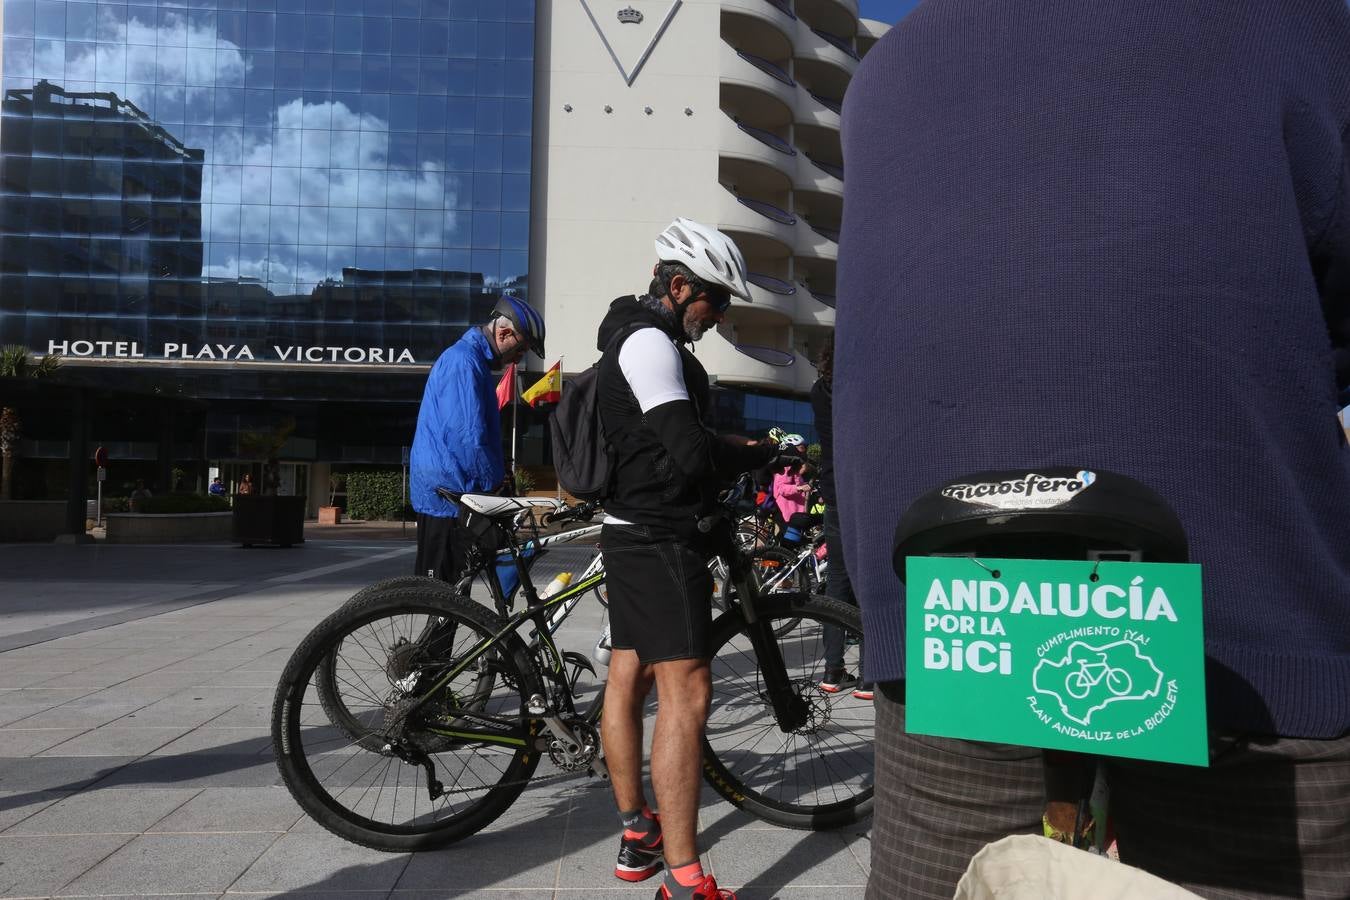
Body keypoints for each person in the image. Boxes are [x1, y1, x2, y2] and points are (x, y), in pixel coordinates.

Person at [833, 2, 1350, 898]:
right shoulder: (1293, 22)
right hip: (1238, 600)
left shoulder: (885, 71)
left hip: (952, 605)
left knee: (944, 864)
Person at [596, 217, 775, 900]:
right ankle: (684, 878)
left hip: (630, 528)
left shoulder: (631, 333)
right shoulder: (650, 343)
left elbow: (673, 435)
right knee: (687, 693)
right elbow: (691, 452)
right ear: (679, 287)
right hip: (661, 537)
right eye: (716, 300)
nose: (720, 315)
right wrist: (754, 452)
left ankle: (638, 836)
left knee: (629, 677)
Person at [409, 294, 545, 580]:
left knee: (455, 595)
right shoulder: (464, 362)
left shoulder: (473, 362)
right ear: (504, 332)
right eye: (521, 350)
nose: (518, 359)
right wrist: (496, 485)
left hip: (453, 492)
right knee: (442, 598)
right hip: (446, 498)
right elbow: (468, 438)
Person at [809, 336, 870, 700]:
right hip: (860, 488)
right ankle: (869, 676)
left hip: (832, 490)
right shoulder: (858, 388)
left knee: (837, 581)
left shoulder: (819, 391)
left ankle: (832, 670)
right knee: (865, 581)